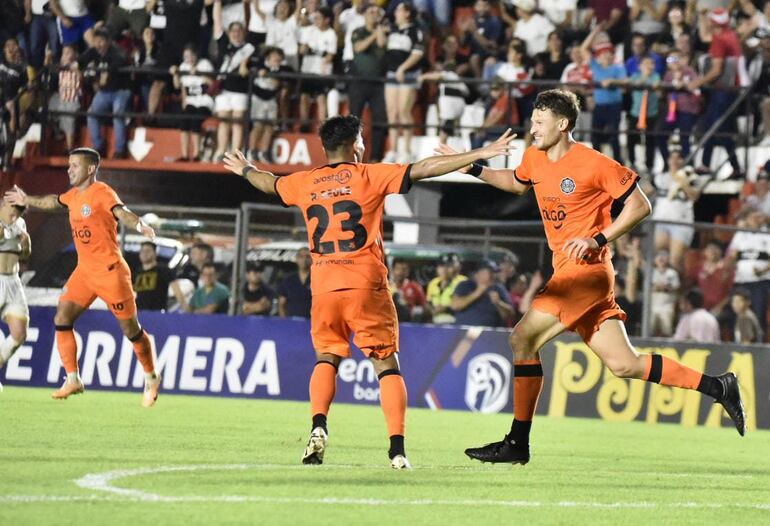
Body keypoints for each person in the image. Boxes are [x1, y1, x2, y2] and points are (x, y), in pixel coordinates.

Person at [437, 89, 745, 467]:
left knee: (522, 338)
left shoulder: (594, 163)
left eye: (539, 122)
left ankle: (517, 443)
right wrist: (471, 168)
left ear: (562, 124)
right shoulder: (534, 156)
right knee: (624, 364)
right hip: (571, 272)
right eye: (533, 120)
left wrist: (599, 238)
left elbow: (641, 205)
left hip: (586, 273)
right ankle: (719, 386)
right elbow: (518, 182)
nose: (532, 128)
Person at [222, 114, 516, 470]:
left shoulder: (305, 182)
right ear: (352, 145)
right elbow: (425, 168)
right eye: (361, 140)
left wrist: (245, 169)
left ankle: (318, 426)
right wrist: (479, 152)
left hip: (324, 284)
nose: (364, 146)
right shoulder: (369, 175)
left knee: (326, 356)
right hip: (365, 282)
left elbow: (268, 183)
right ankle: (396, 450)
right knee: (386, 365)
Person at [3, 148, 161, 406]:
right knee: (62, 317)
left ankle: (151, 375)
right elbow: (54, 202)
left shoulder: (103, 192)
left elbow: (122, 212)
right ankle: (73, 378)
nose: (69, 169)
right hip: (85, 271)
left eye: (75, 165)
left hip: (111, 272)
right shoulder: (73, 196)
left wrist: (140, 224)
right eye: (68, 165)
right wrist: (27, 198)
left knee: (131, 330)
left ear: (90, 169)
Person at [78, 28, 131, 159]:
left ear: (107, 42)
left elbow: (121, 60)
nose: (98, 45)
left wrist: (108, 72)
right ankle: (98, 147)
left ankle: (120, 150)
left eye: (101, 41)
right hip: (105, 91)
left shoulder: (116, 51)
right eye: (96, 42)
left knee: (118, 116)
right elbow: (82, 60)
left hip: (121, 90)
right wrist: (76, 65)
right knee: (91, 114)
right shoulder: (94, 51)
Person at [383, 1, 424, 164]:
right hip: (391, 73)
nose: (395, 13)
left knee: (403, 111)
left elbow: (418, 53)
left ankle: (407, 150)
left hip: (408, 75)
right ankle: (393, 150)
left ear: (407, 13)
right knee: (392, 113)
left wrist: (402, 68)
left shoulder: (415, 31)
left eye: (399, 11)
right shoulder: (392, 29)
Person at [349, 4, 388, 161]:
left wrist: (379, 29)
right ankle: (350, 154)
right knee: (354, 120)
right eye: (371, 12)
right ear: (364, 15)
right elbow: (358, 47)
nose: (374, 15)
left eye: (376, 12)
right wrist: (376, 32)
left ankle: (375, 158)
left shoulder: (383, 32)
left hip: (378, 82)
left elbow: (382, 45)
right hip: (359, 81)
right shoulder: (358, 31)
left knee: (379, 120)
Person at [0, 198, 31, 393]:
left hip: (13, 282)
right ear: (3, 204)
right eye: (12, 211)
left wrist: (26, 245)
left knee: (19, 334)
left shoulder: (19, 224)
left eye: (18, 213)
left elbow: (25, 256)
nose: (15, 217)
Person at [170, 44, 215, 162]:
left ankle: (196, 154)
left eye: (191, 55)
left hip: (204, 99)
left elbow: (211, 83)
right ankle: (184, 154)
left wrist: (199, 73)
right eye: (186, 56)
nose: (189, 58)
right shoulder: (183, 66)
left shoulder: (205, 64)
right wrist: (175, 74)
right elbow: (178, 85)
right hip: (191, 100)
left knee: (196, 121)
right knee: (185, 120)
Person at [451, 260, 513, 327]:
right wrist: (478, 292)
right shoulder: (465, 285)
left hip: (490, 333)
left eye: (495, 272)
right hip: (464, 330)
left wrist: (498, 303)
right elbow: (455, 306)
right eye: (491, 272)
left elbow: (509, 315)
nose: (494, 275)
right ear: (479, 273)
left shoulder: (498, 288)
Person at [425, 252, 466, 324]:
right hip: (435, 322)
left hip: (456, 323)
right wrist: (431, 310)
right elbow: (429, 302)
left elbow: (465, 305)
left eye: (449, 266)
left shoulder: (463, 282)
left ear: (457, 267)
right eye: (441, 266)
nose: (444, 269)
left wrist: (446, 309)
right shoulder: (433, 283)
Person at [133, 241, 173, 311]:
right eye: (142, 251)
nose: (144, 253)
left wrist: (185, 308)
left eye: (148, 251)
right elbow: (132, 291)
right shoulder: (137, 272)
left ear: (155, 254)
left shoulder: (163, 269)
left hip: (157, 313)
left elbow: (175, 287)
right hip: (139, 312)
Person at [650, 249, 680, 336]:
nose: (661, 258)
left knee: (667, 330)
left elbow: (676, 287)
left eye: (664, 256)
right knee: (650, 330)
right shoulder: (651, 272)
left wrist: (663, 287)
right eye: (658, 256)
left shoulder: (672, 273)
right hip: (652, 305)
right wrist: (657, 287)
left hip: (667, 306)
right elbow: (648, 287)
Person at [277, 247, 312, 318]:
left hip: (312, 322)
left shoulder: (317, 279)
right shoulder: (288, 280)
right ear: (296, 259)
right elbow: (281, 304)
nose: (304, 260)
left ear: (312, 259)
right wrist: (284, 322)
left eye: (307, 257)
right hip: (292, 323)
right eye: (301, 256)